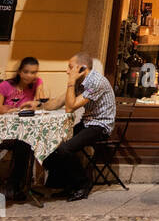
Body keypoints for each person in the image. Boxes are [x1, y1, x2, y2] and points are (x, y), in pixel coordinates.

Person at [42, 51, 116, 201]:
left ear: (82, 68)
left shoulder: (96, 82)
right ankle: (68, 185)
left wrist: (70, 81)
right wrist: (38, 106)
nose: (67, 70)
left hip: (100, 125)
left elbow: (71, 107)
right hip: (87, 123)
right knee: (52, 148)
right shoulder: (79, 82)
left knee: (65, 149)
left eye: (70, 67)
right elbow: (58, 102)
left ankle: (83, 184)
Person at [0, 57, 53, 203]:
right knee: (23, 143)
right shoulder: (5, 86)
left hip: (26, 131)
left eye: (34, 72)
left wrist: (36, 100)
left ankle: (18, 186)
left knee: (30, 141)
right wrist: (8, 110)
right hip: (3, 133)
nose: (30, 76)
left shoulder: (36, 83)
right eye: (26, 72)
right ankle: (15, 186)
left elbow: (41, 102)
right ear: (19, 72)